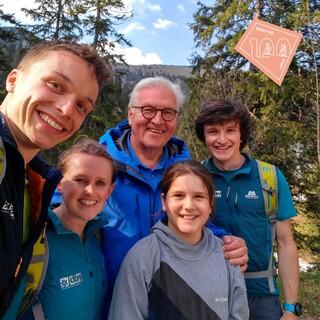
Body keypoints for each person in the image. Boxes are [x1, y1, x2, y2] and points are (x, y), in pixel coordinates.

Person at [98, 77, 248, 314]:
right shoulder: (98, 166)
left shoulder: (186, 171)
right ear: (130, 114)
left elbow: (194, 220)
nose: (158, 120)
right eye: (148, 110)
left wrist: (227, 242)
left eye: (168, 112)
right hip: (108, 307)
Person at [0, 40, 111, 318]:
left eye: (82, 106)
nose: (66, 110)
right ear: (13, 80)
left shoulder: (31, 187)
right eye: (55, 85)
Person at [194, 99, 300, 320]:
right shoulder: (195, 177)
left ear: (242, 135)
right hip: (210, 291)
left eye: (230, 130)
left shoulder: (269, 177)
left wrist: (291, 308)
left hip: (261, 295)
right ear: (204, 136)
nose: (222, 139)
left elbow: (285, 242)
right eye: (213, 131)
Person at [109, 160, 249, 320]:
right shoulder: (142, 258)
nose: (189, 205)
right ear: (164, 201)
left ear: (210, 203)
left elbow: (239, 315)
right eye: (179, 196)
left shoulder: (226, 255)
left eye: (198, 196)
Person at [21, 138, 115, 320]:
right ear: (60, 183)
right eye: (80, 180)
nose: (90, 190)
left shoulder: (98, 236)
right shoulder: (34, 236)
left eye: (100, 183)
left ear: (110, 191)